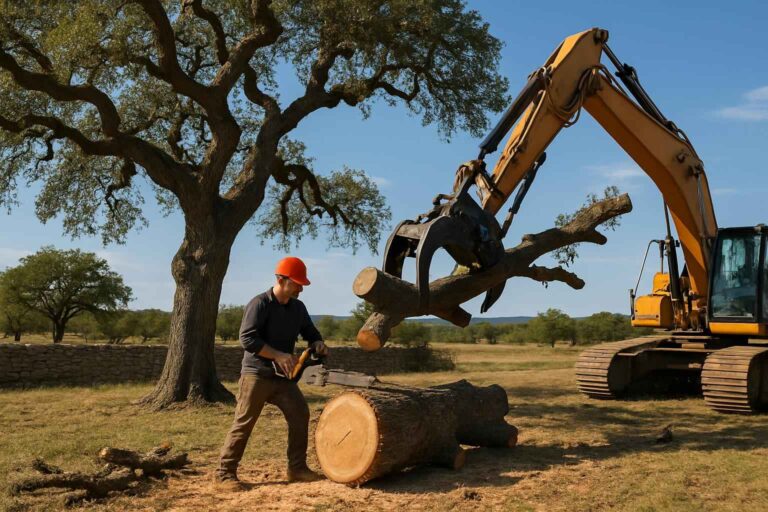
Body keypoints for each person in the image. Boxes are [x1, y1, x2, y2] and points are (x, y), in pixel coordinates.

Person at [214, 256, 329, 489]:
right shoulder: (259, 304)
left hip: (283, 378)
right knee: (244, 422)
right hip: (256, 374)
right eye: (297, 283)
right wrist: (278, 354)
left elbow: (310, 330)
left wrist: (317, 342)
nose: (300, 288)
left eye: (301, 284)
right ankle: (223, 475)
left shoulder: (298, 308)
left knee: (300, 414)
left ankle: (296, 468)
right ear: (280, 279)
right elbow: (247, 338)